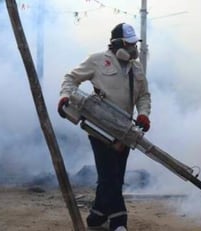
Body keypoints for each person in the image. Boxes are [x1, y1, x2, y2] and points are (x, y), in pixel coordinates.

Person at [57, 22, 151, 231]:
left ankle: (97, 216)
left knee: (115, 174)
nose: (133, 49)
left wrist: (143, 114)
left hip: (125, 130)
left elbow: (143, 95)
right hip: (100, 127)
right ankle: (119, 222)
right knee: (109, 174)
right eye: (129, 44)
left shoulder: (136, 67)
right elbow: (71, 78)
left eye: (134, 44)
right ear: (117, 44)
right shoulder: (98, 61)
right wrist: (65, 97)